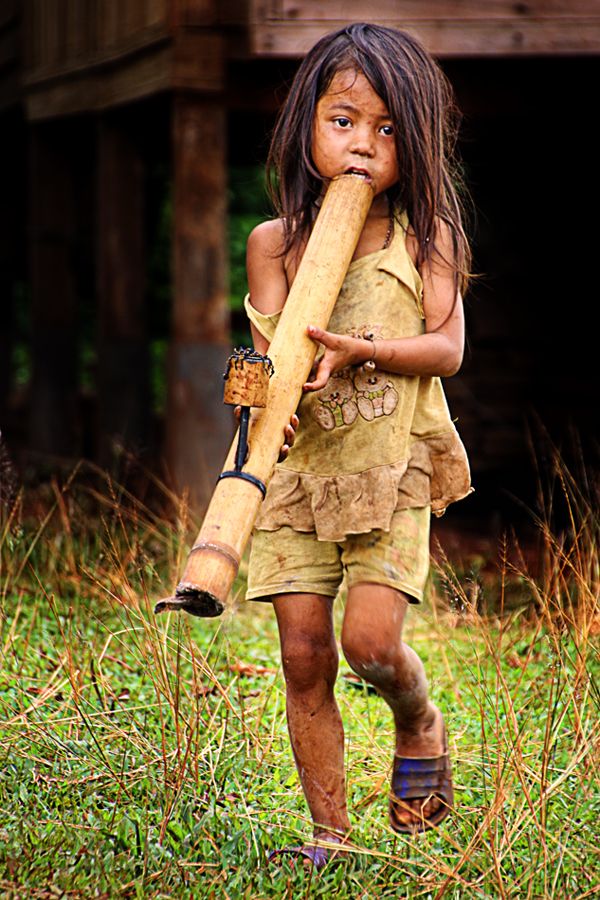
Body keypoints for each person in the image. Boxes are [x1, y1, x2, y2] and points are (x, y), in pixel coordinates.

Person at [243, 23, 472, 866]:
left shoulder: (426, 238)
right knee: (305, 654)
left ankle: (417, 718)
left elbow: (446, 349)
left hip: (390, 466)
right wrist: (262, 392)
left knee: (369, 644)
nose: (362, 146)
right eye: (344, 121)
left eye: (386, 131)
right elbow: (265, 357)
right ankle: (328, 840)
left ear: (413, 147)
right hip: (301, 478)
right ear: (307, 125)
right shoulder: (272, 245)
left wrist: (363, 349)